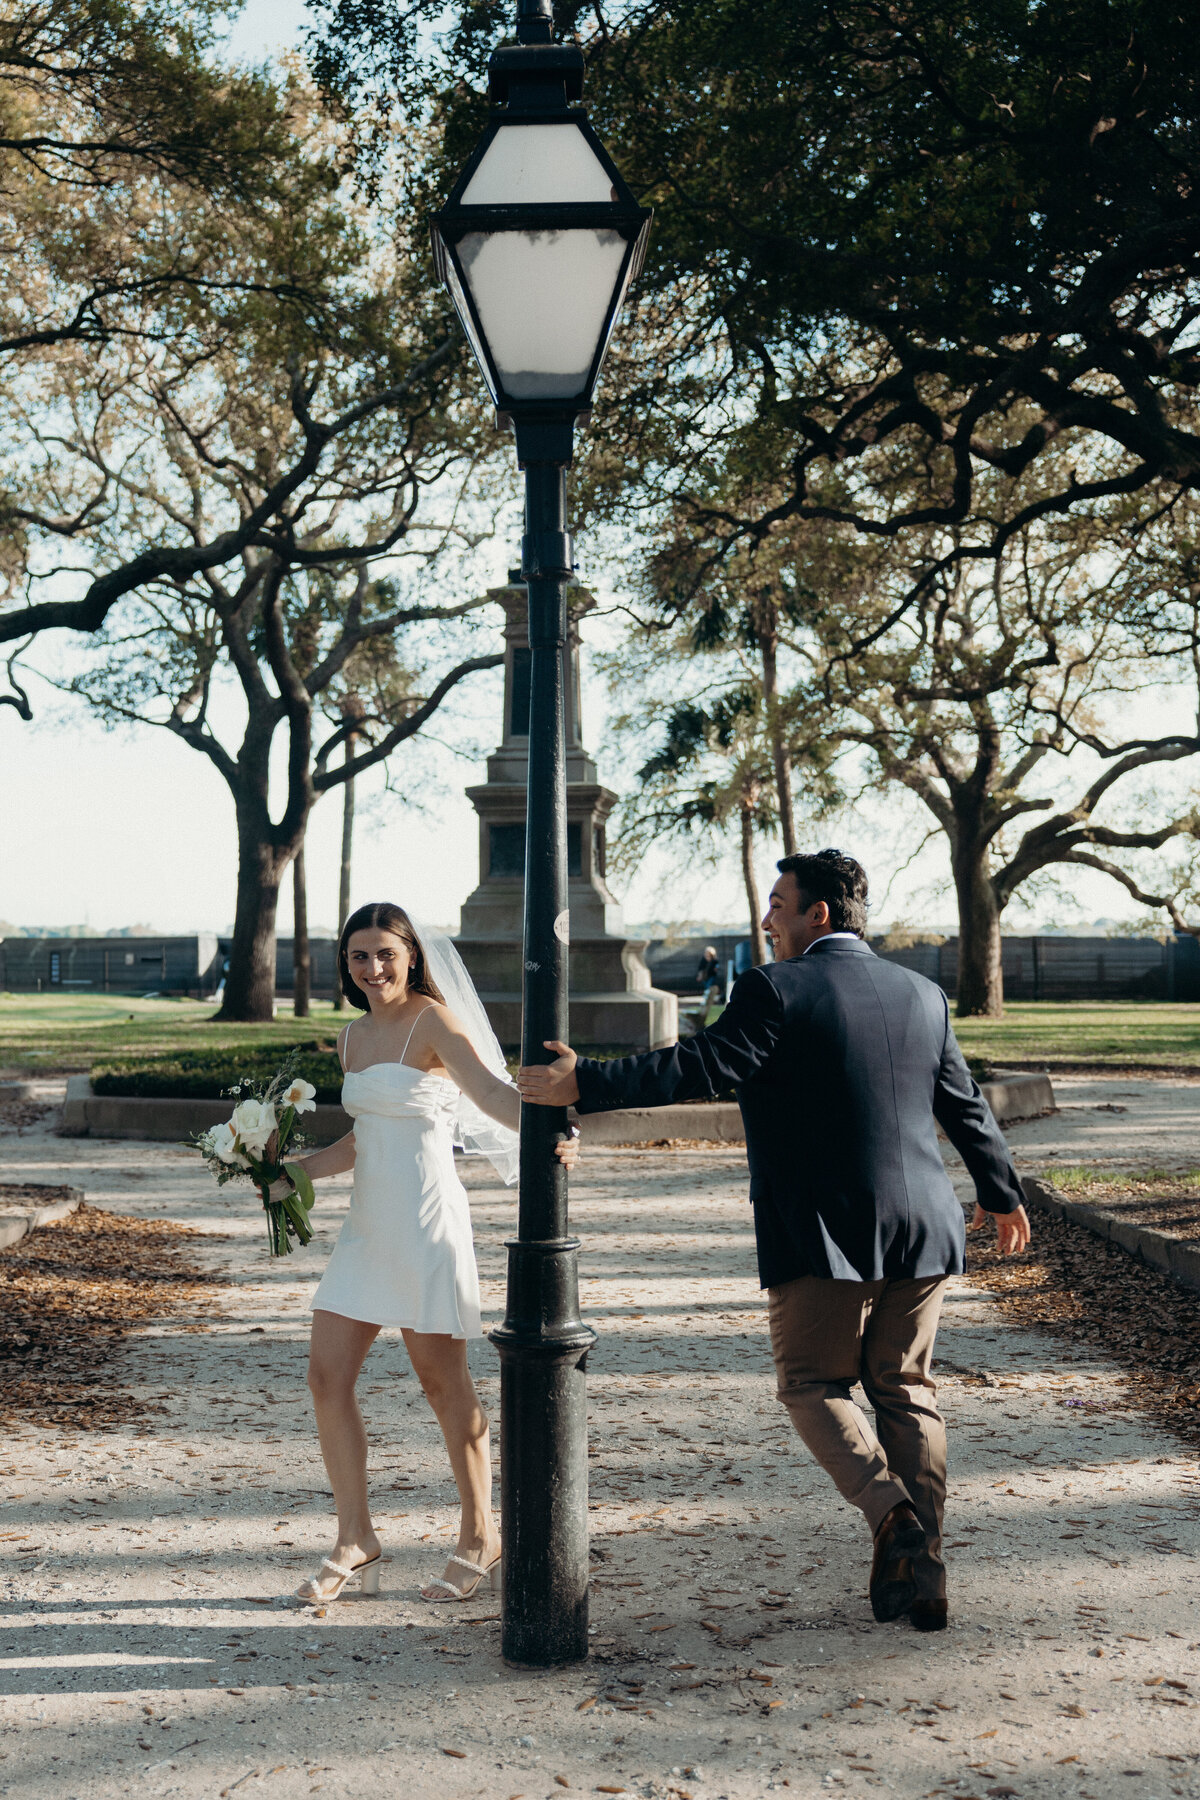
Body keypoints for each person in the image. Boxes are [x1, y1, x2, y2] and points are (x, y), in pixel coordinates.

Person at [518, 849, 1030, 1633]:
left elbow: (706, 1064)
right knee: (905, 1389)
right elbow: (963, 1105)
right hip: (926, 1222)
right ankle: (923, 1577)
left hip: (823, 1227)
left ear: (818, 914)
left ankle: (895, 1517)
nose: (767, 920)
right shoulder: (922, 993)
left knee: (811, 1384)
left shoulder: (776, 987)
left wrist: (589, 1081)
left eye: (778, 905)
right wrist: (1002, 1196)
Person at [271, 901, 578, 1607]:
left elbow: (495, 1098)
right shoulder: (351, 1037)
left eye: (385, 953)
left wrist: (554, 1125)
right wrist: (291, 1172)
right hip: (366, 1231)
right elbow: (360, 1140)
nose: (373, 968)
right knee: (325, 1377)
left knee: (444, 1386)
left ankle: (480, 1535)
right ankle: (356, 1537)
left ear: (410, 956)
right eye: (358, 956)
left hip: (427, 1223)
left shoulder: (434, 1023)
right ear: (345, 966)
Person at [696, 944, 723, 1014]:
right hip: (705, 977)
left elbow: (716, 968)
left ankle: (709, 1001)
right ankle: (706, 1001)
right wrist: (700, 976)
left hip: (711, 976)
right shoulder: (703, 960)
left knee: (709, 988)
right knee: (707, 989)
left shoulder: (714, 960)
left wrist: (715, 969)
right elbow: (700, 969)